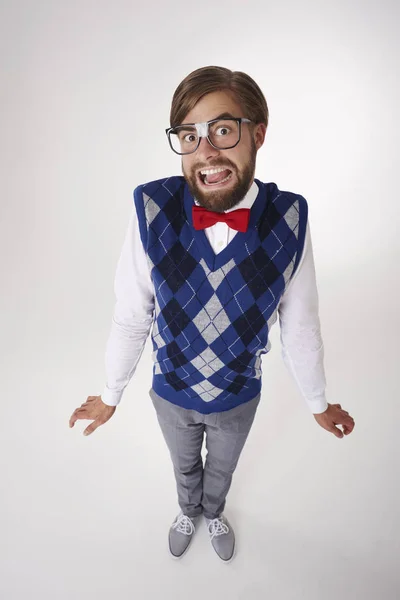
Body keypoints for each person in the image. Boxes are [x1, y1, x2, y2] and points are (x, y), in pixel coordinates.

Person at [69, 66, 355, 563]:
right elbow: (132, 314)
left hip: (239, 394)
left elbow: (301, 324)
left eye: (223, 130)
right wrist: (111, 393)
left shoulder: (290, 219)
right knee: (184, 466)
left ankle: (215, 509)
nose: (206, 151)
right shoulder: (152, 208)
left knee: (221, 468)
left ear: (258, 133)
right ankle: (187, 507)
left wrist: (317, 401)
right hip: (170, 391)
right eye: (189, 135)